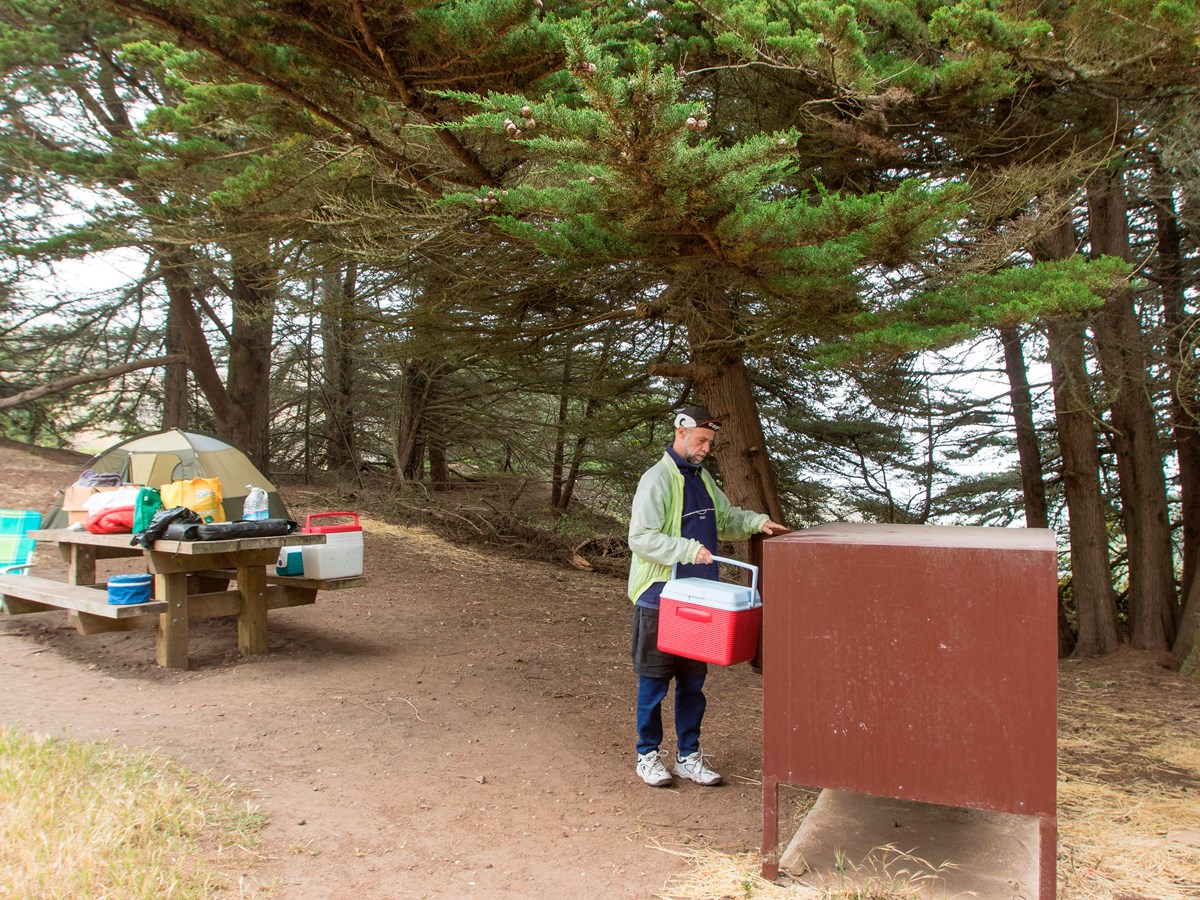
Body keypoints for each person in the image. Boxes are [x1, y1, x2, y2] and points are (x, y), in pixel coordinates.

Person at [627, 405, 787, 787]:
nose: (705, 449)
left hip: (701, 598)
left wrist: (755, 522)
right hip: (660, 597)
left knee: (693, 684)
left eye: (710, 443)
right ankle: (647, 755)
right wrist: (685, 549)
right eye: (701, 441)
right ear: (679, 432)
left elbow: (724, 518)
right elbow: (641, 537)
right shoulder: (657, 480)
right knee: (653, 683)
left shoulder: (700, 477)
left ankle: (688, 756)